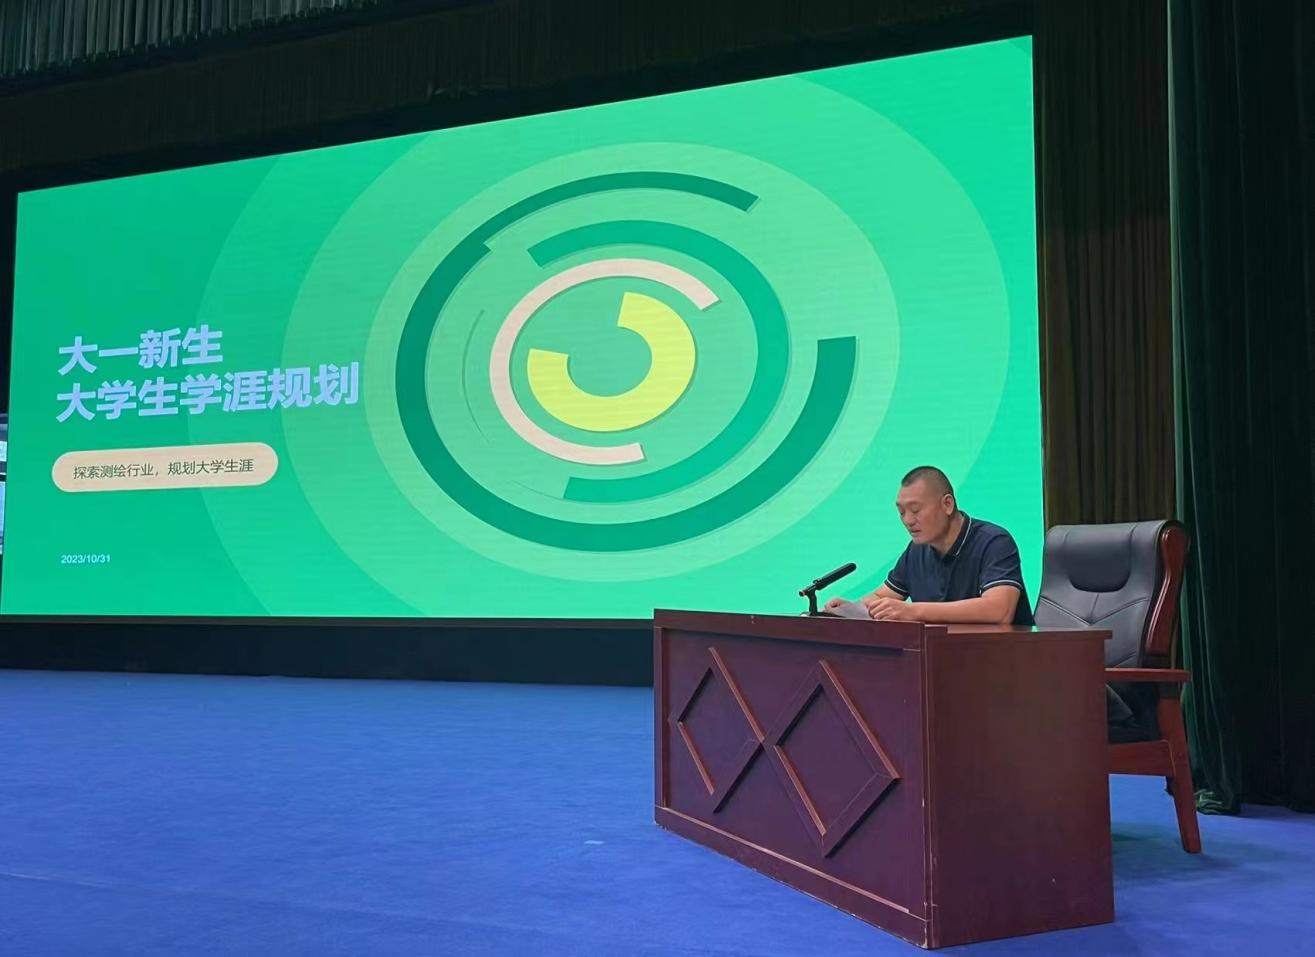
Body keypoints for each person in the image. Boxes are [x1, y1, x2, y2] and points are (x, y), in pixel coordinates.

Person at [825, 465, 1034, 625]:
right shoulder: (916, 550)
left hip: (1002, 660)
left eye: (915, 510)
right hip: (941, 658)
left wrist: (912, 611)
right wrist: (853, 609)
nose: (907, 520)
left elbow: (999, 610)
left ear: (947, 504)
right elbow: (881, 597)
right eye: (901, 512)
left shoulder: (993, 542)